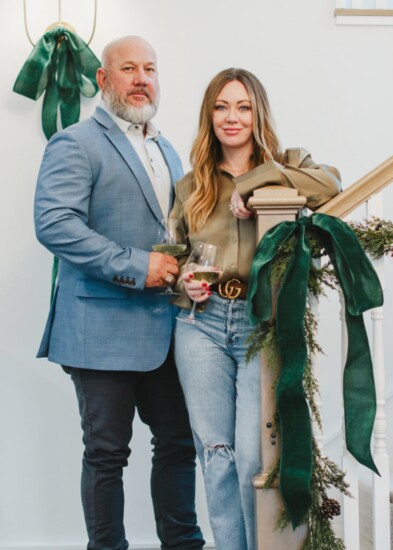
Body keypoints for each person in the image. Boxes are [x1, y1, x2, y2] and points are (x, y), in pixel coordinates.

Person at [34, 36, 204, 550]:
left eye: (149, 68)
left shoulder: (169, 148)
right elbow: (55, 224)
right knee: (107, 454)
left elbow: (177, 233)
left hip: (167, 331)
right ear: (103, 80)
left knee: (178, 444)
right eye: (127, 68)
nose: (141, 78)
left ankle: (184, 544)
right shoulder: (75, 142)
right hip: (98, 330)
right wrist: (137, 266)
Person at [171, 68, 341, 550]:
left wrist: (254, 182)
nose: (232, 117)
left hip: (258, 321)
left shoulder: (289, 163)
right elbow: (177, 255)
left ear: (257, 112)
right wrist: (184, 284)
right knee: (217, 454)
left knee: (252, 454)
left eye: (243, 107)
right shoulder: (192, 185)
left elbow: (330, 184)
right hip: (200, 326)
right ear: (210, 114)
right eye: (222, 107)